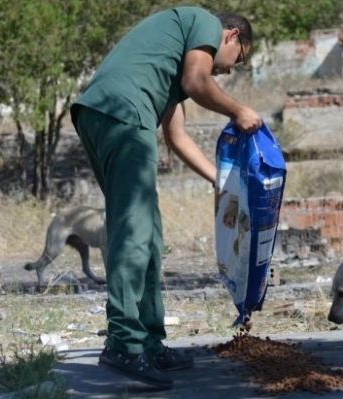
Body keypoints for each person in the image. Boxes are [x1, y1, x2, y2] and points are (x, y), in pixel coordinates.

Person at [70, 7, 261, 388]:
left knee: (150, 234)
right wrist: (239, 111)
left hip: (106, 113)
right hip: (122, 113)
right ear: (232, 35)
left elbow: (177, 137)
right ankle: (124, 344)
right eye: (236, 61)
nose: (227, 71)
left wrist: (221, 183)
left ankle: (150, 343)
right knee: (134, 229)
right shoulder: (204, 23)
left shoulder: (169, 66)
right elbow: (198, 81)